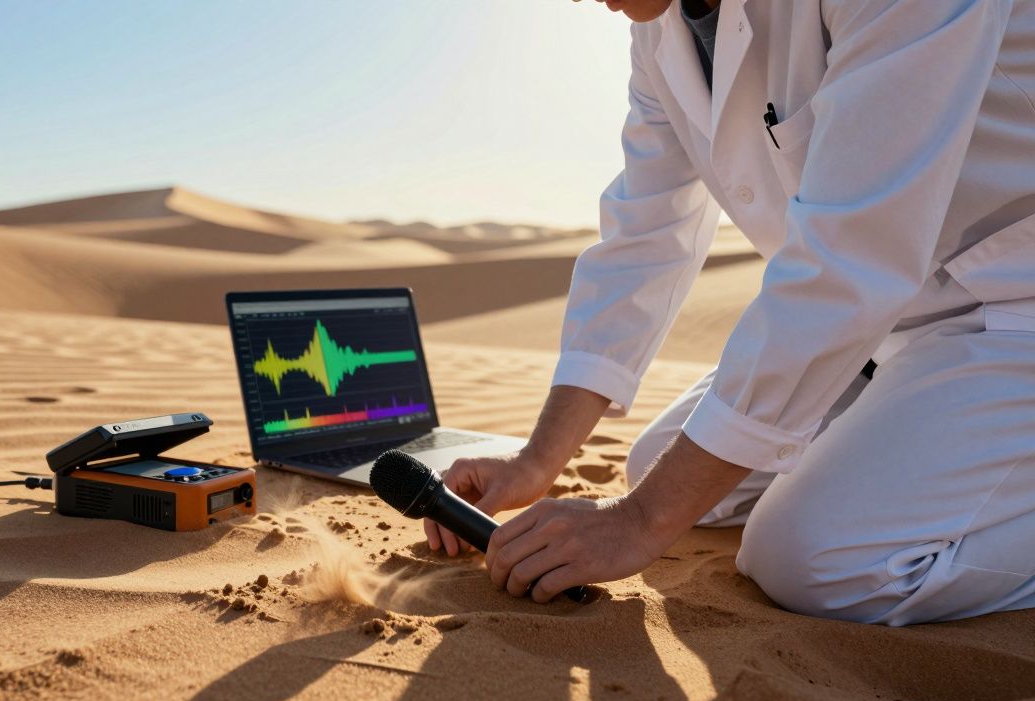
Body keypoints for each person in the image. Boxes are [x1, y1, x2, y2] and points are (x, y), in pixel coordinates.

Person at [426, 0, 1035, 626]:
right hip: (881, 329)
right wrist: (536, 461)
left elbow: (852, 255)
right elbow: (646, 237)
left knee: (813, 560)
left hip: (1012, 304)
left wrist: (641, 520)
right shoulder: (660, 33)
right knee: (660, 467)